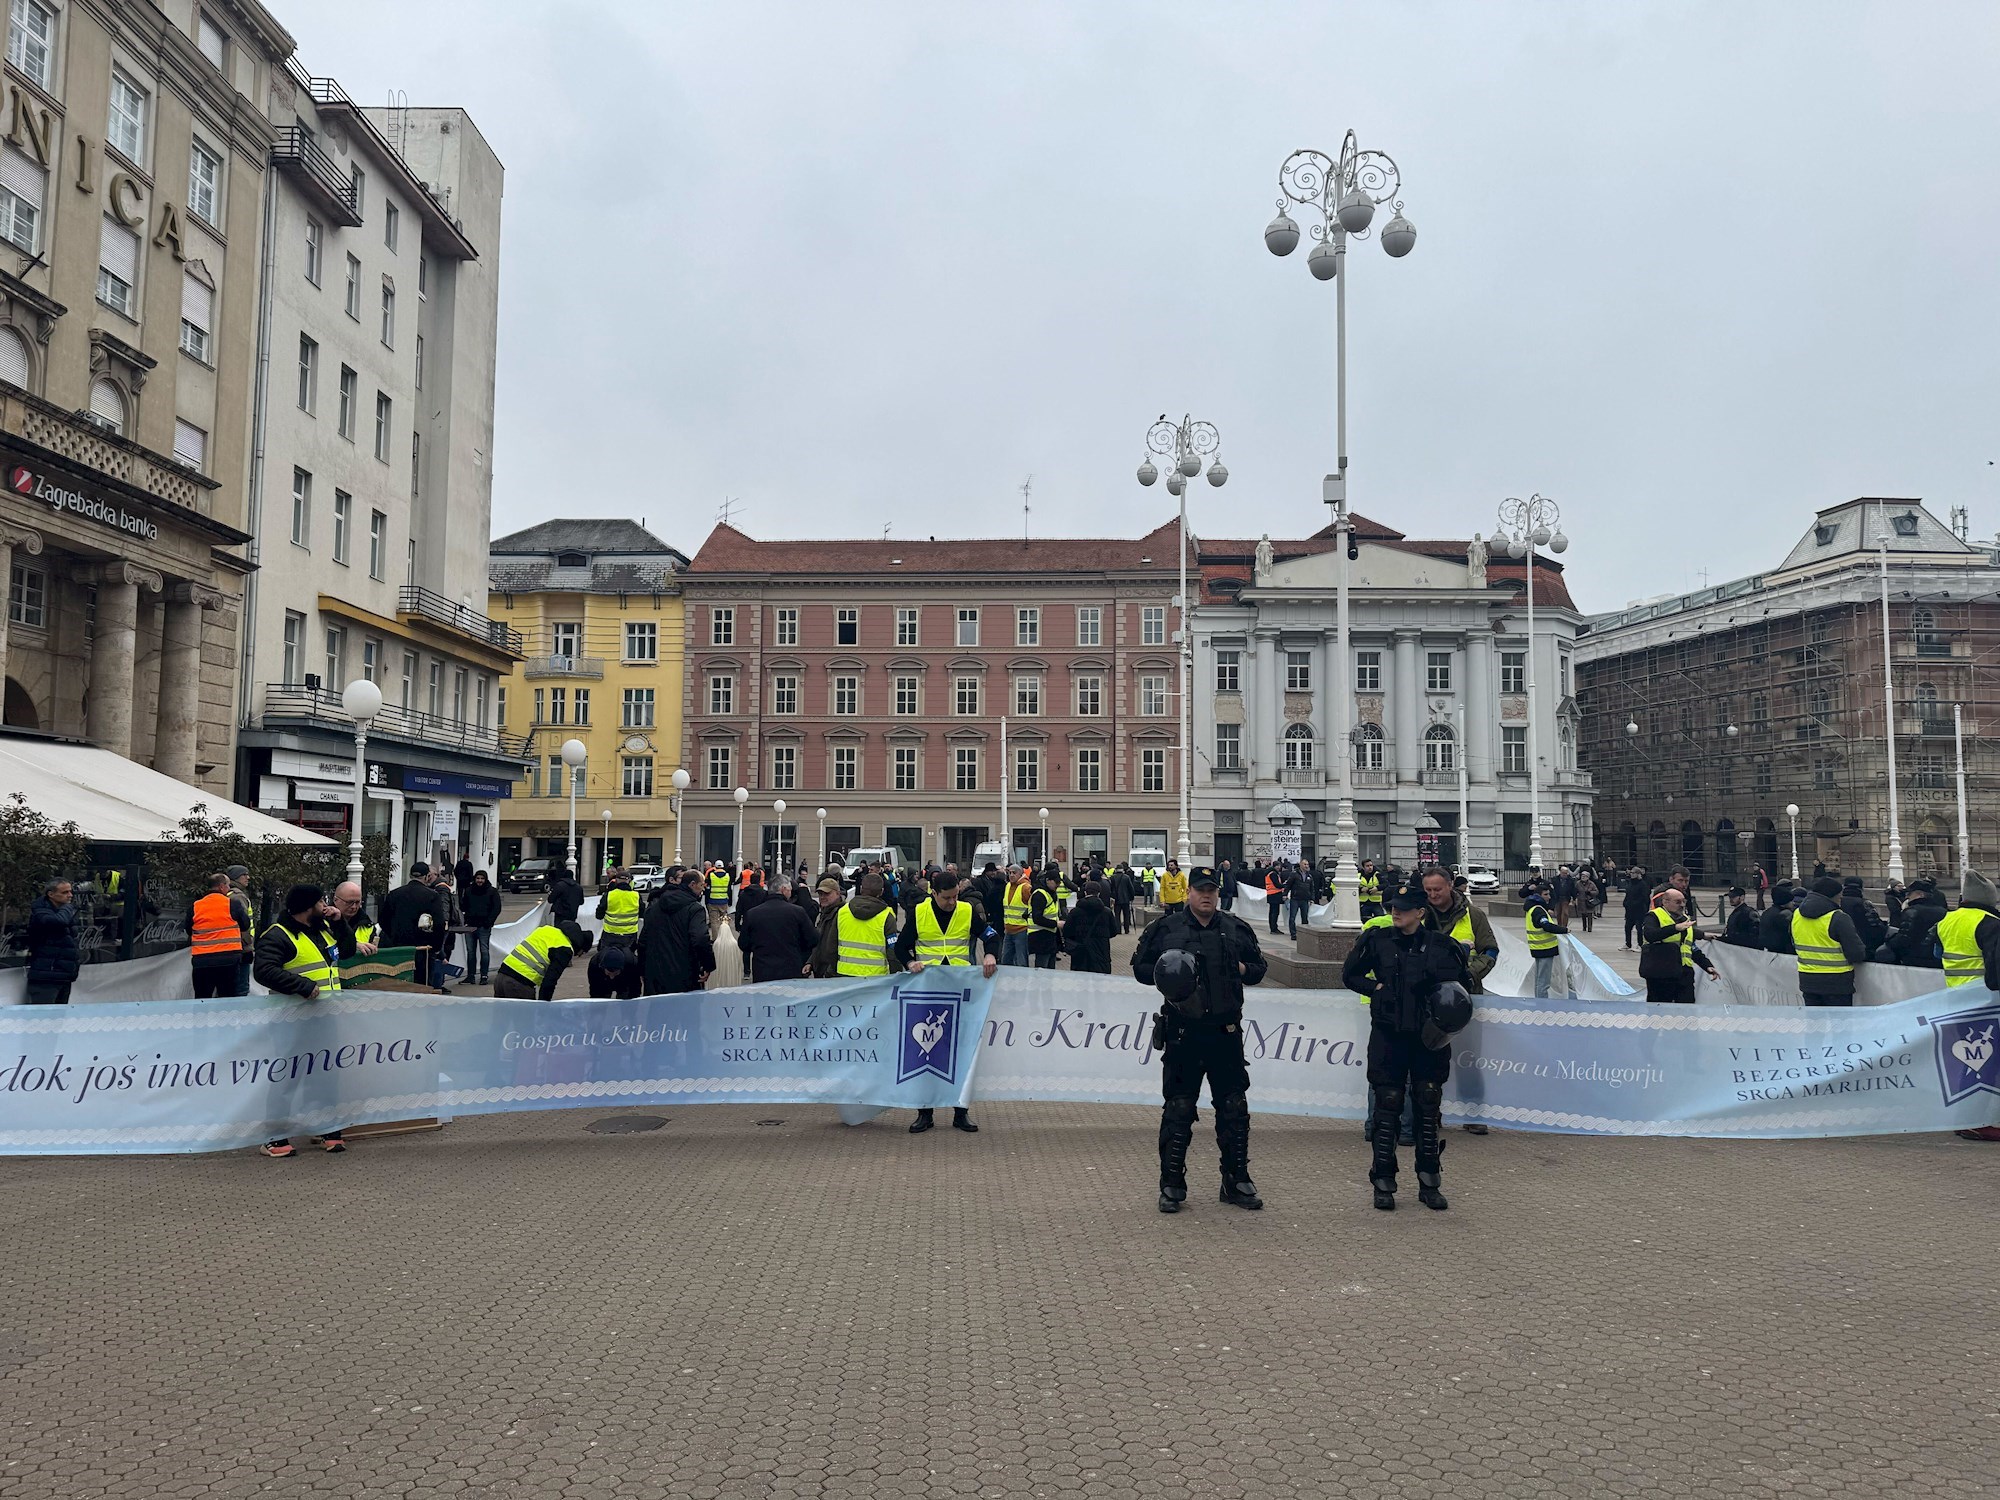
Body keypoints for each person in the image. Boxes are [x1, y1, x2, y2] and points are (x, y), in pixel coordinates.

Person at [1132, 866, 1268, 1213]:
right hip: (1183, 1032)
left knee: (1234, 1107)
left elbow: (1259, 969)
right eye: (1200, 889)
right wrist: (1168, 969)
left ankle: (1236, 1179)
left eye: (1212, 890)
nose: (1206, 895)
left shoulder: (1235, 929)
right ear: (1188, 892)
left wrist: (1242, 969)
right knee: (1179, 1108)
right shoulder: (1167, 928)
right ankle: (1172, 1184)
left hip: (1225, 1032)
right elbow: (1140, 969)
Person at [1342, 887, 1473, 1211]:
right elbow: (1350, 975)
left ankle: (1429, 1180)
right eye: (1393, 907)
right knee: (1388, 1104)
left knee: (1428, 1106)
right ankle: (1383, 1181)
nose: (1395, 912)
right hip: (1390, 1034)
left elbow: (1461, 988)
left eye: (1403, 908)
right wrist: (1376, 988)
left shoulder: (1443, 947)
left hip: (1428, 1039)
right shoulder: (1378, 940)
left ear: (1420, 912)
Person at [893, 871, 998, 1135]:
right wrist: (910, 963)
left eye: (955, 896)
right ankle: (924, 1113)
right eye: (946, 898)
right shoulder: (919, 912)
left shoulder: (965, 910)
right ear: (934, 894)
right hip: (928, 990)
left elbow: (991, 935)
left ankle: (960, 1112)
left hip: (959, 989)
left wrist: (990, 955)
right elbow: (900, 946)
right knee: (927, 1053)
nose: (951, 902)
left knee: (961, 1051)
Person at [250, 883, 345, 1156]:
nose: (325, 905)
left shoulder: (322, 929)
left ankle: (328, 1129)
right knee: (287, 1076)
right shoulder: (278, 935)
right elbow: (264, 970)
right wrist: (302, 986)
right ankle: (275, 1137)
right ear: (308, 906)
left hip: (325, 1018)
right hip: (291, 1019)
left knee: (326, 1073)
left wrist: (339, 923)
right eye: (321, 901)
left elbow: (346, 951)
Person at [1419, 866, 1498, 1133]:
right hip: (1427, 999)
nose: (1432, 895)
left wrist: (1470, 974)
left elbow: (1491, 950)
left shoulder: (1473, 915)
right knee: (1428, 1058)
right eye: (1428, 890)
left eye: (1437, 890)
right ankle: (1431, 1113)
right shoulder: (1418, 913)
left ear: (1450, 885)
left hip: (1465, 999)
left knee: (1468, 1058)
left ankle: (1474, 1113)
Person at [1791, 876, 1869, 1007]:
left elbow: (1794, 942)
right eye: (1839, 896)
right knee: (1840, 1025)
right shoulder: (1838, 917)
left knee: (1815, 1024)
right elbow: (1856, 953)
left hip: (1807, 979)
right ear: (1831, 896)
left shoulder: (1797, 914)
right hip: (1837, 982)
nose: (1840, 899)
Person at [642, 869, 716, 994]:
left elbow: (643, 940)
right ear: (692, 884)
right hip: (684, 973)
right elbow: (700, 939)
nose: (703, 889)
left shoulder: (655, 906)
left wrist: (643, 970)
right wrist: (708, 965)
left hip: (655, 973)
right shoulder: (695, 909)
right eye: (701, 885)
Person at [1639, 887, 1716, 1002]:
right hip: (1661, 974)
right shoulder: (1654, 916)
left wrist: (1707, 966)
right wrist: (1675, 928)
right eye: (1678, 902)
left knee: (1687, 1011)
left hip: (1684, 974)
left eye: (1683, 901)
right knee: (1661, 1011)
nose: (1682, 905)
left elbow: (1690, 947)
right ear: (1665, 902)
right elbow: (1650, 935)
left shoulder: (1684, 919)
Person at [740, 875, 822, 983]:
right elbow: (813, 939)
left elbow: (743, 944)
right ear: (783, 890)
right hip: (790, 969)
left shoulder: (752, 914)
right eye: (790, 890)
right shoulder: (797, 912)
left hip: (762, 969)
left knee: (763, 999)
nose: (791, 893)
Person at [378, 862, 443, 981]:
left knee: (399, 981)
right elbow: (439, 924)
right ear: (427, 876)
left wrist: (394, 934)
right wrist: (436, 947)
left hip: (398, 948)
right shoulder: (432, 896)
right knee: (421, 985)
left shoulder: (395, 894)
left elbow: (383, 919)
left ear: (410, 875)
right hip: (423, 948)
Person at [1935, 870, 2000, 989]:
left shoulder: (1946, 919)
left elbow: (1937, 953)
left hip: (1952, 987)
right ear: (1989, 898)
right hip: (1983, 991)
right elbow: (1994, 963)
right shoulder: (1990, 922)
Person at [188, 872, 246, 999]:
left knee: (202, 999)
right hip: (229, 959)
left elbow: (188, 929)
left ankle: (200, 1019)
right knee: (227, 999)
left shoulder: (195, 906)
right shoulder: (233, 904)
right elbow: (245, 925)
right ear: (221, 887)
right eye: (228, 885)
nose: (229, 889)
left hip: (202, 961)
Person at [23, 878, 79, 1005]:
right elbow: (58, 922)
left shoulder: (63, 912)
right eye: (65, 892)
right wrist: (67, 908)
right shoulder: (41, 911)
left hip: (64, 976)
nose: (70, 896)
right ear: (51, 894)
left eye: (70, 892)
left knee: (59, 1019)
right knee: (43, 1019)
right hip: (46, 978)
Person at [494, 922, 576, 1000]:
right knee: (524, 1015)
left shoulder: (546, 929)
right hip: (519, 984)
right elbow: (550, 980)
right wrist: (542, 1004)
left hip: (501, 975)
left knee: (501, 1013)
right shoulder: (565, 948)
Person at [1061, 879, 1116, 974]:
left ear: (1085, 892)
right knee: (1099, 983)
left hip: (1080, 952)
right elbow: (1114, 931)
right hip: (1101, 951)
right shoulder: (1107, 912)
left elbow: (1067, 931)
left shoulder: (1075, 912)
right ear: (1099, 893)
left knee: (1081, 982)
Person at [1523, 881, 1566, 998]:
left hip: (1538, 948)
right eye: (1546, 894)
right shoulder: (1538, 910)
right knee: (1543, 982)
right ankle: (1541, 1005)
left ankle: (1539, 1001)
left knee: (1539, 980)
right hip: (1545, 949)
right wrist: (1564, 930)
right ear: (1539, 896)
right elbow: (1546, 926)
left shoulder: (1532, 908)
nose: (1549, 897)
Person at [460, 870, 502, 985]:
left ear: (485, 879)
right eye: (478, 878)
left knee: (484, 951)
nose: (479, 881)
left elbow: (496, 908)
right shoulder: (469, 890)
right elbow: (463, 905)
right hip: (470, 926)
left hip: (484, 926)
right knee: (471, 952)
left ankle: (484, 975)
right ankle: (471, 976)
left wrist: (489, 922)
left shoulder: (492, 891)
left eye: (482, 878)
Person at [1837, 876, 1888, 955]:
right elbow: (1875, 926)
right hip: (1863, 946)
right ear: (1861, 888)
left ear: (1844, 887)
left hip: (1839, 946)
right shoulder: (1864, 904)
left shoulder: (1837, 903)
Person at [596, 867, 642, 952]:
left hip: (610, 933)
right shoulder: (636, 896)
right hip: (630, 934)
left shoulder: (609, 895)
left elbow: (599, 914)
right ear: (629, 881)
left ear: (616, 880)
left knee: (607, 956)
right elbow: (642, 913)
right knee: (628, 959)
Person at [226, 864, 256, 995]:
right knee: (241, 989)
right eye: (244, 875)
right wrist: (247, 945)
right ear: (236, 877)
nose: (248, 877)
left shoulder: (229, 894)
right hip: (242, 948)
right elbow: (243, 923)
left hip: (234, 948)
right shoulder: (238, 896)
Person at [808, 876, 846, 976]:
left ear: (838, 893)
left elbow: (839, 947)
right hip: (820, 970)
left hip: (830, 973)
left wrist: (830, 970)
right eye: (820, 894)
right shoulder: (824, 913)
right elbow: (820, 942)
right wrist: (810, 962)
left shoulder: (842, 914)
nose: (822, 897)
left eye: (827, 893)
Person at [1027, 867, 1063, 969]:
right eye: (1056, 882)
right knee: (1042, 969)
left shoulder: (1051, 893)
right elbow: (1037, 918)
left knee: (1050, 969)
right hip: (1040, 936)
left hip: (1050, 935)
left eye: (1059, 882)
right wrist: (1056, 924)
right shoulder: (1040, 894)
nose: (1058, 885)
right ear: (1048, 880)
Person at [1759, 882, 1798, 954]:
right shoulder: (1784, 915)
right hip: (1782, 952)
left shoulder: (1767, 912)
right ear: (1784, 902)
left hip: (1770, 951)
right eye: (1790, 901)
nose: (1793, 903)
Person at [1622, 867, 1651, 949]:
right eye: (1631, 873)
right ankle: (1628, 944)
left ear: (1638, 874)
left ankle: (1640, 944)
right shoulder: (1630, 883)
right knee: (1627, 927)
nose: (1632, 874)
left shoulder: (1642, 884)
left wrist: (1636, 903)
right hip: (1629, 910)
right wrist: (1625, 903)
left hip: (1639, 910)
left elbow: (1644, 897)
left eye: (1634, 873)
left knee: (1639, 928)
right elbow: (1628, 894)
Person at [1286, 861, 1313, 940]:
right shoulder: (1294, 874)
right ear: (1301, 865)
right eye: (1305, 864)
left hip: (1305, 899)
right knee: (1292, 917)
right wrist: (1285, 894)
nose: (1306, 866)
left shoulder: (1309, 876)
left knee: (1305, 917)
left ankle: (1304, 933)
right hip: (1295, 898)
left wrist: (1312, 898)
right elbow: (1288, 884)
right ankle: (1293, 934)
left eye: (1307, 864)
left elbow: (1312, 888)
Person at [705, 862, 734, 935]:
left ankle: (715, 939)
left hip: (713, 901)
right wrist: (730, 901)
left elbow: (708, 888)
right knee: (724, 921)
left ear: (715, 866)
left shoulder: (711, 875)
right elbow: (729, 890)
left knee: (714, 921)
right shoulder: (727, 876)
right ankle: (724, 937)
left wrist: (707, 900)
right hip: (724, 901)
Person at [1109, 863, 1137, 936]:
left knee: (1117, 915)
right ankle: (1126, 929)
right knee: (1126, 915)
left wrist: (1112, 897)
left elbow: (1111, 889)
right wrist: (1131, 897)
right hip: (1125, 899)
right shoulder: (1126, 877)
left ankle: (1118, 930)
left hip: (1116, 899)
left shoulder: (1112, 877)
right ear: (1122, 870)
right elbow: (1131, 889)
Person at [1264, 863, 1286, 936]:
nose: (1279, 867)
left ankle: (1273, 928)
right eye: (1278, 866)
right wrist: (1284, 885)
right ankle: (1274, 928)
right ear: (1275, 866)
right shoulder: (1273, 874)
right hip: (1275, 894)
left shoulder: (1269, 873)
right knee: (1275, 912)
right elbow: (1277, 884)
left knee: (1272, 912)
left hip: (1271, 894)